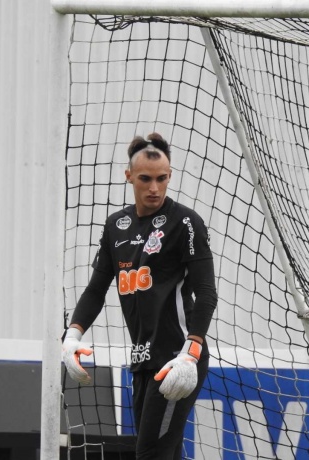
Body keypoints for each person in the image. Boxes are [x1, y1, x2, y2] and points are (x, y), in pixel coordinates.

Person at [62, 132, 218, 459]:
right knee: (165, 452)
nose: (154, 188)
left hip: (178, 359)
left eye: (162, 179)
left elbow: (206, 293)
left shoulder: (186, 222)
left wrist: (191, 352)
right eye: (145, 179)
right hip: (143, 361)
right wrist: (73, 335)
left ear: (170, 175)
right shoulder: (116, 225)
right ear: (129, 176)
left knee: (150, 452)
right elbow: (96, 288)